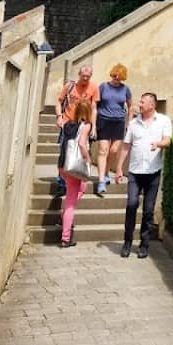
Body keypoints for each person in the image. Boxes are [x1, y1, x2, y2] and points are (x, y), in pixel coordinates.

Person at [115, 92, 172, 258]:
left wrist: (159, 144)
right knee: (132, 204)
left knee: (148, 211)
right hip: (134, 172)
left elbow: (167, 140)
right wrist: (119, 168)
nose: (139, 104)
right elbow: (126, 146)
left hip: (153, 173)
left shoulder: (163, 121)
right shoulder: (133, 123)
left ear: (152, 105)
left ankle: (144, 245)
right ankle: (127, 242)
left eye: (142, 102)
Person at [54, 65, 99, 194]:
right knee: (64, 151)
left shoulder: (94, 87)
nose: (85, 78)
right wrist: (59, 117)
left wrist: (94, 127)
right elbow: (59, 101)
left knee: (81, 151)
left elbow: (94, 108)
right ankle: (62, 182)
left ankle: (77, 177)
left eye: (88, 76)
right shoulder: (69, 86)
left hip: (84, 124)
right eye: (83, 76)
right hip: (68, 123)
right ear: (79, 74)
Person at [58, 98, 93, 247]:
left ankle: (64, 215)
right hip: (75, 167)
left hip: (63, 165)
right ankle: (66, 238)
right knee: (71, 202)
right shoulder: (86, 125)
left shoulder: (68, 124)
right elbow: (81, 144)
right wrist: (88, 159)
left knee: (81, 189)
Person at [95, 63, 133, 196]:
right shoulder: (103, 87)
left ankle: (105, 173)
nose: (117, 77)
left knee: (114, 150)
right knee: (103, 150)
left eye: (120, 76)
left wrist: (130, 122)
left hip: (119, 122)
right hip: (103, 120)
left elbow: (131, 106)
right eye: (115, 74)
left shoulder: (125, 89)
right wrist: (93, 123)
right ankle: (101, 181)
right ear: (112, 73)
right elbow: (95, 104)